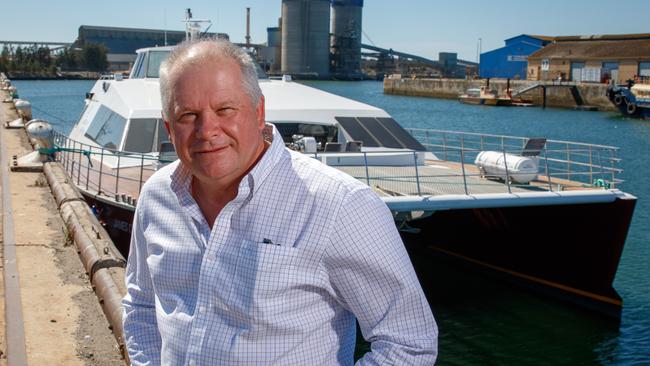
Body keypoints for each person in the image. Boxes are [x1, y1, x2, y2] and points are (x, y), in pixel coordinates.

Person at [122, 38, 437, 365]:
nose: (207, 130)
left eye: (225, 109)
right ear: (169, 127)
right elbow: (141, 305)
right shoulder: (157, 195)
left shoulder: (340, 206)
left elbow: (408, 343)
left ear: (258, 112)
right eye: (188, 115)